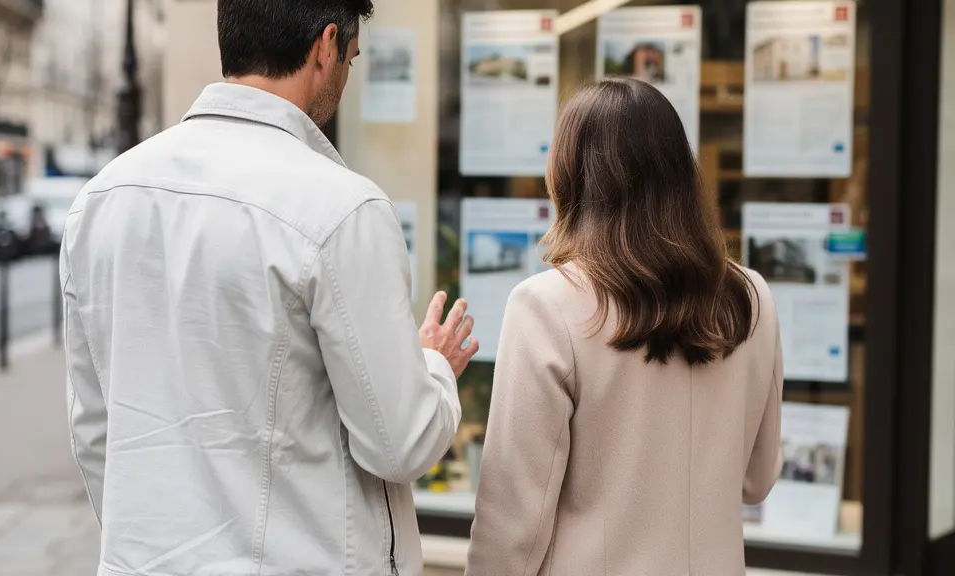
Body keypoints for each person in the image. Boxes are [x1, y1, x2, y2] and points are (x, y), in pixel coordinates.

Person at [61, 1, 478, 574]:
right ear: (326, 46)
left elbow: (94, 427)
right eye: (351, 59)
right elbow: (400, 443)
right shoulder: (342, 208)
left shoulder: (102, 200)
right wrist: (433, 367)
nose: (346, 77)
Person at [465, 78, 783, 576]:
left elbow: (512, 523)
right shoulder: (751, 297)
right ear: (681, 172)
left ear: (570, 174)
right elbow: (757, 481)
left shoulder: (546, 304)